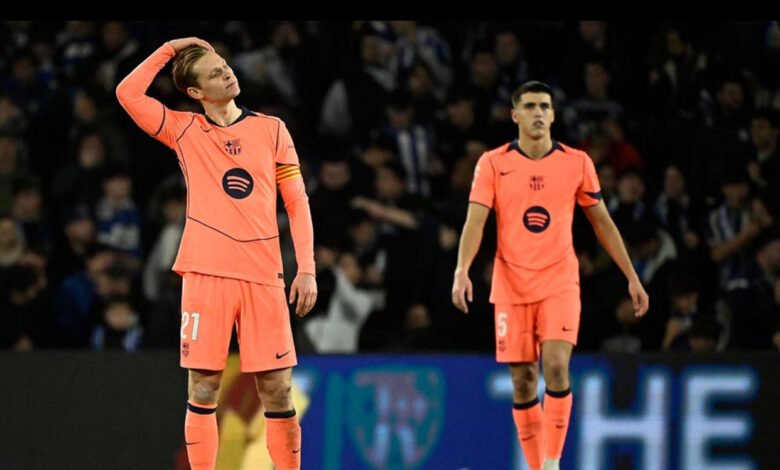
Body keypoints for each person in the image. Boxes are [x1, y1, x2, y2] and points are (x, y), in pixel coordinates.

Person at [116, 37, 316, 470]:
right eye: (214, 73)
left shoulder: (272, 129)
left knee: (278, 390)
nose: (227, 72)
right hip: (206, 274)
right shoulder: (184, 129)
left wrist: (307, 269)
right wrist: (170, 48)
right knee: (204, 388)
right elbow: (127, 93)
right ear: (195, 92)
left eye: (224, 65)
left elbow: (297, 203)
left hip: (263, 275)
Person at [451, 81, 649, 470]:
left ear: (554, 115)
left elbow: (602, 222)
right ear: (515, 115)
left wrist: (632, 276)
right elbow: (475, 221)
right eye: (529, 106)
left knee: (556, 365)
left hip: (559, 281)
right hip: (511, 285)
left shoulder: (577, 163)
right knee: (524, 381)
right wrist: (462, 270)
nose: (538, 113)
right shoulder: (492, 163)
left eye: (544, 106)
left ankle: (553, 462)